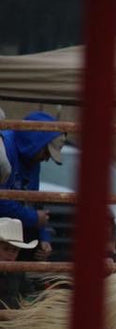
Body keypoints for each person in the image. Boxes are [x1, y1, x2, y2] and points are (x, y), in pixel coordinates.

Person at [0, 111, 65, 261]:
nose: (46, 159)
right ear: (36, 142)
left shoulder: (32, 160)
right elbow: (1, 200)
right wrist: (33, 218)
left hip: (11, 233)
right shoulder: (4, 148)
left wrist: (44, 237)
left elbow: (33, 202)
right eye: (46, 152)